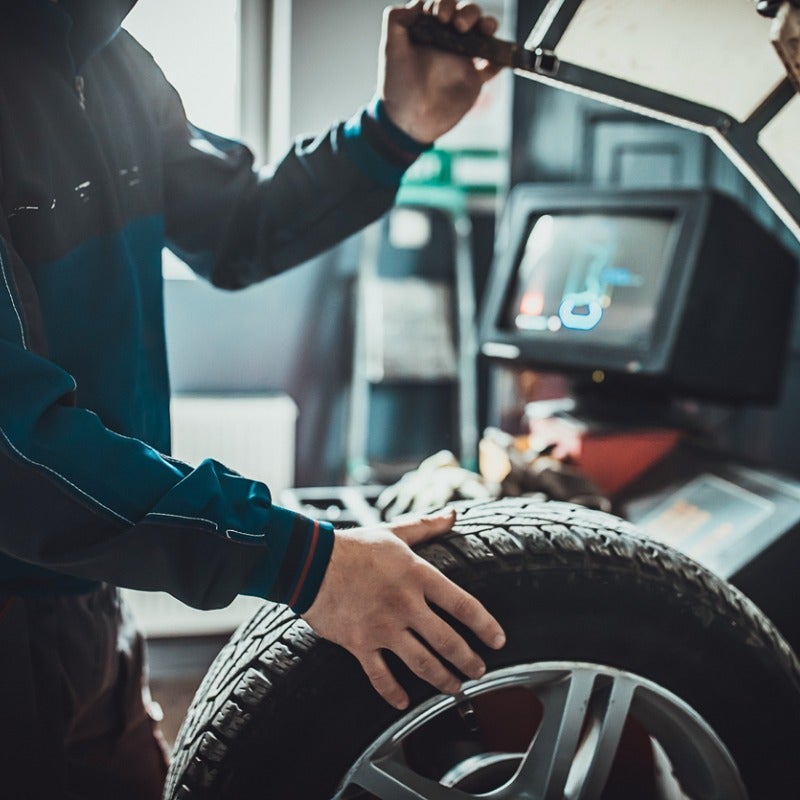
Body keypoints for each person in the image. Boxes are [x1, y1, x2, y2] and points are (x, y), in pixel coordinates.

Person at [0, 0, 506, 796]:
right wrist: (301, 560)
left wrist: (394, 130)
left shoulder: (116, 61)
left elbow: (238, 225)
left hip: (87, 590)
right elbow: (12, 447)